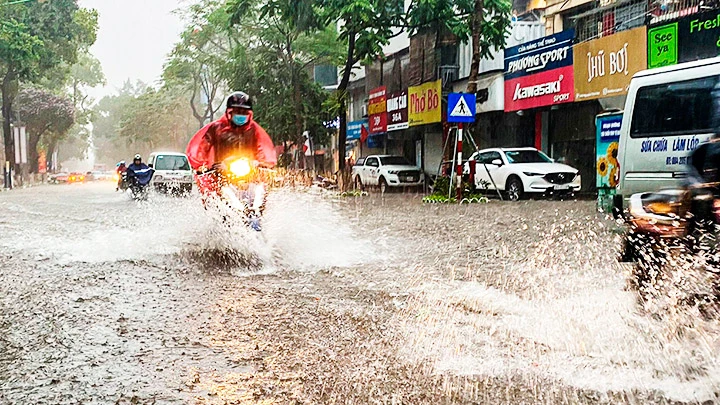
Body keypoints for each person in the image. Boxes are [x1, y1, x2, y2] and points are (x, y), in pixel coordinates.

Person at [186, 91, 276, 188]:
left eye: (244, 112)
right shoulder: (216, 128)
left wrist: (262, 163)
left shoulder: (254, 130)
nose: (241, 115)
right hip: (220, 175)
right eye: (237, 111)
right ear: (229, 112)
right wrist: (201, 166)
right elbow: (202, 147)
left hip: (250, 175)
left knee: (261, 190)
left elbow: (263, 148)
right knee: (211, 193)